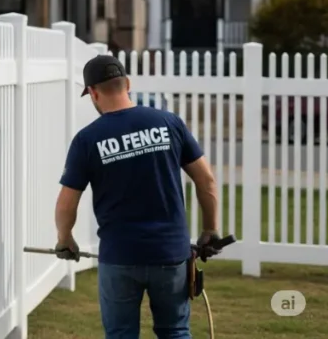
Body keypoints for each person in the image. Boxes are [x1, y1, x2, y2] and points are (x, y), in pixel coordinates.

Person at [53, 54, 221, 338]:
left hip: (120, 257)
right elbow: (207, 182)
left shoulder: (87, 139)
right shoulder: (169, 123)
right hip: (170, 254)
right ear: (127, 84)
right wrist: (210, 231)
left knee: (120, 334)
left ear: (93, 93)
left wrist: (64, 239)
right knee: (175, 331)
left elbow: (67, 201)